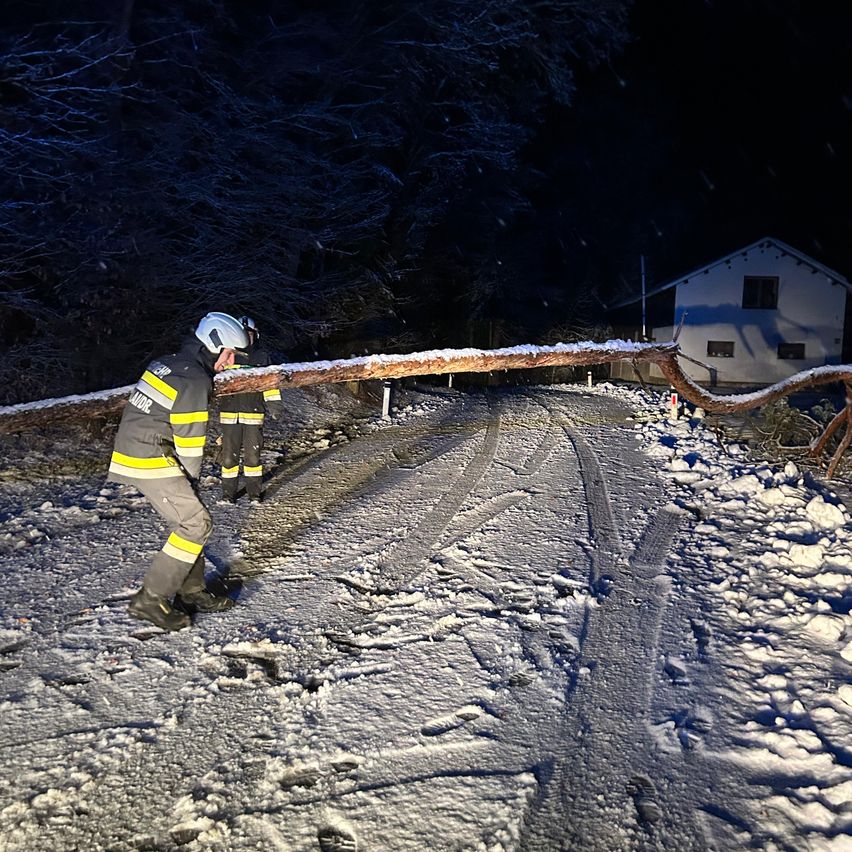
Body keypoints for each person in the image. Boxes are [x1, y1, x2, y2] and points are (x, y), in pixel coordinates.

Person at [108, 312, 250, 631]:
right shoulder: (194, 380)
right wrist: (190, 480)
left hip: (138, 446)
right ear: (214, 345)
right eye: (229, 354)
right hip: (150, 455)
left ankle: (192, 590)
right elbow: (189, 443)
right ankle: (150, 599)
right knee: (196, 523)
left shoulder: (168, 363)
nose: (230, 363)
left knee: (189, 520)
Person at [218, 316, 282, 504]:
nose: (246, 337)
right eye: (242, 334)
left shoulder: (262, 357)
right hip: (229, 414)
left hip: (253, 414)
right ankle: (228, 495)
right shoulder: (226, 356)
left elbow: (270, 384)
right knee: (228, 458)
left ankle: (254, 494)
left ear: (256, 335)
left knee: (252, 458)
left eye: (249, 334)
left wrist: (274, 405)